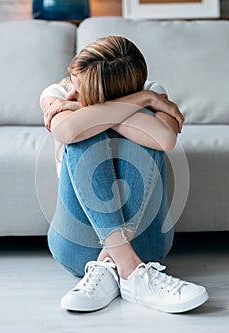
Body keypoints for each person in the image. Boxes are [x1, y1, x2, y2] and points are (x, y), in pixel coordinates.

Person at [40, 35, 208, 313]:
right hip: (79, 245)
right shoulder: (57, 91)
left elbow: (164, 139)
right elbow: (66, 131)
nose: (69, 93)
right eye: (72, 79)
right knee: (82, 137)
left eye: (78, 91)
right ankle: (130, 270)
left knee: (145, 139)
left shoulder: (153, 89)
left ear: (111, 93)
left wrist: (90, 110)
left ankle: (112, 264)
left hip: (145, 240)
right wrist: (143, 101)